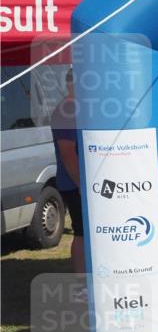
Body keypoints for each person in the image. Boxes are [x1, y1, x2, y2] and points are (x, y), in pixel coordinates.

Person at [50, 70, 84, 274]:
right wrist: (81, 184)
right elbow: (67, 153)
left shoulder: (78, 109)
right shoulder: (66, 111)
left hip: (80, 183)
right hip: (74, 184)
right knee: (82, 233)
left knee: (88, 233)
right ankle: (82, 282)